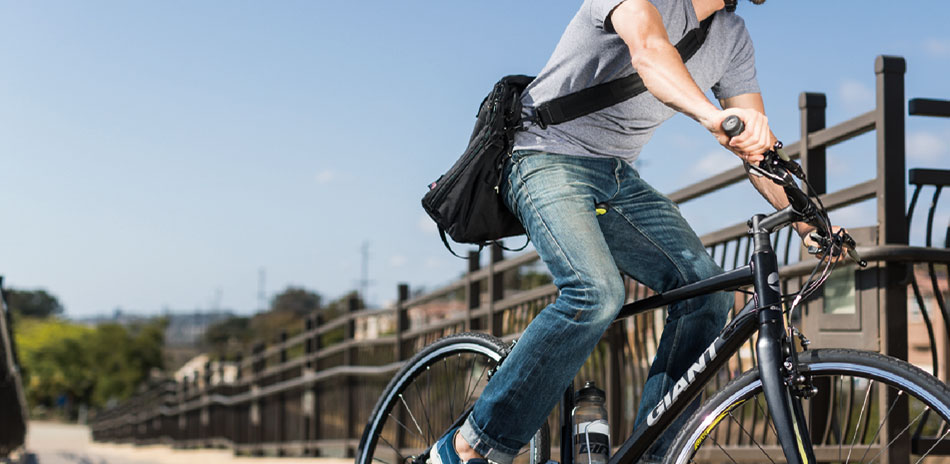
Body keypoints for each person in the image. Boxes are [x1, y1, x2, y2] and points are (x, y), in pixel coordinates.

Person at [430, 0, 833, 463]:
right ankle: (471, 445)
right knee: (596, 293)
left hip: (614, 176)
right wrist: (712, 116)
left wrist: (811, 222)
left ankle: (653, 455)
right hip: (541, 155)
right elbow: (650, 51)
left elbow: (757, 153)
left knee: (706, 292)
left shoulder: (733, 37)